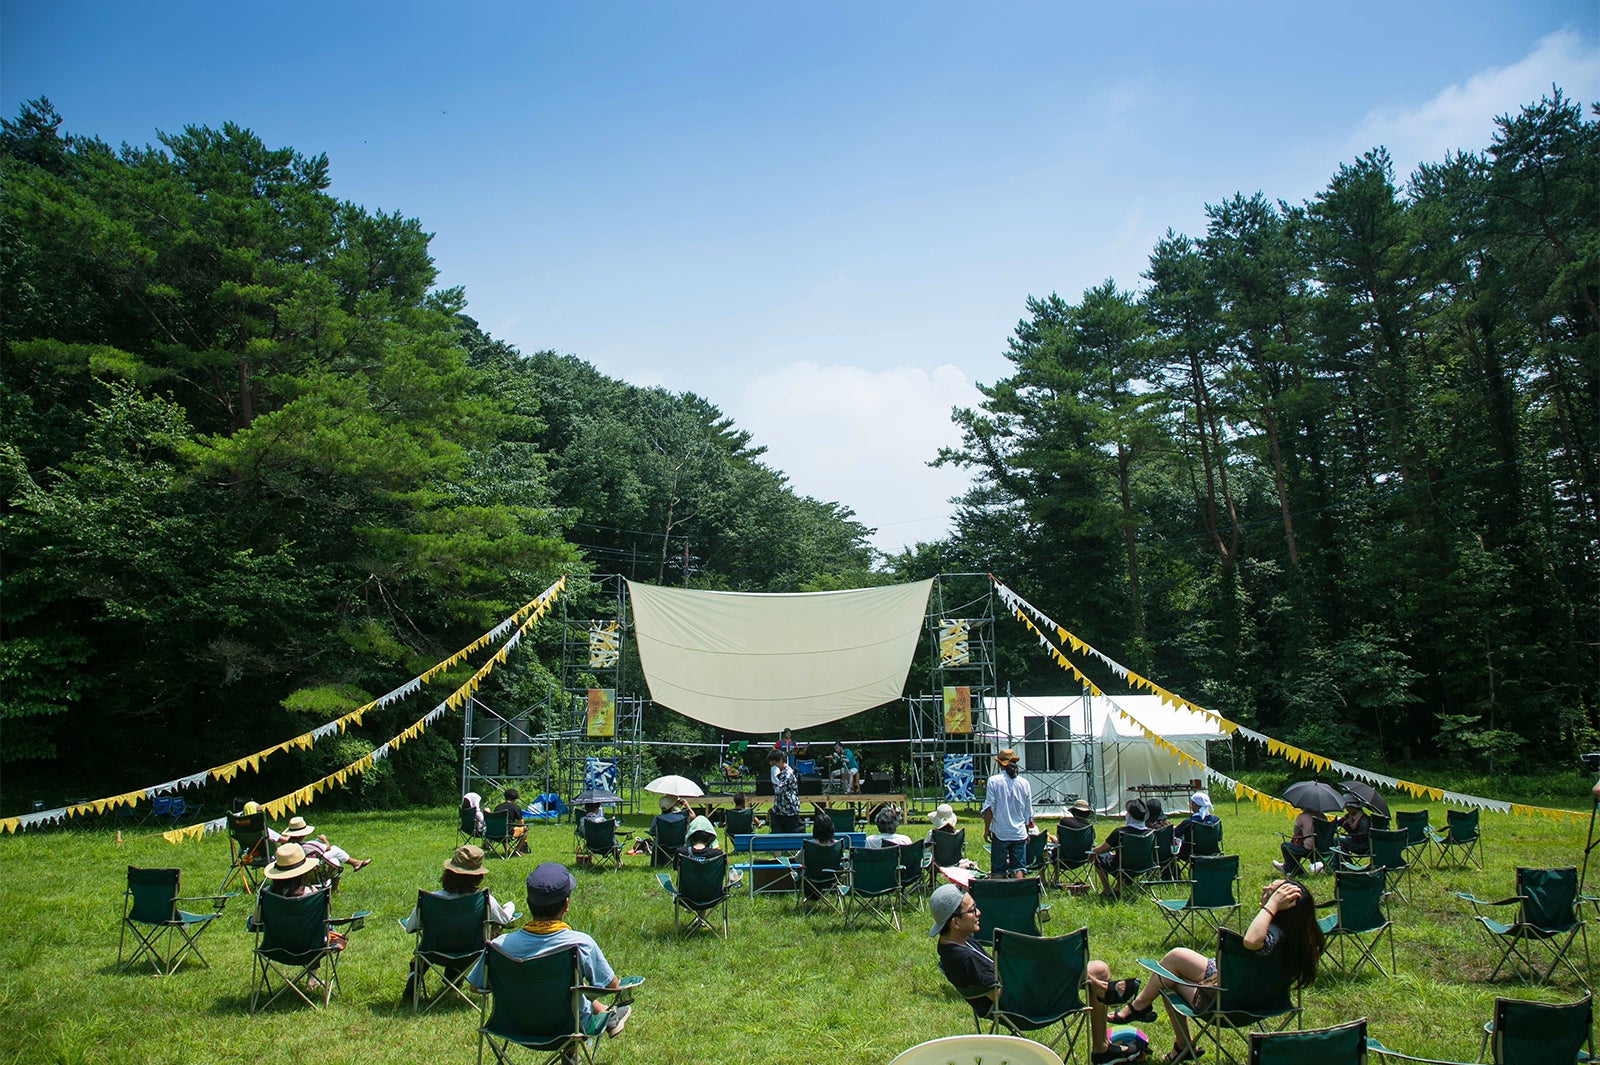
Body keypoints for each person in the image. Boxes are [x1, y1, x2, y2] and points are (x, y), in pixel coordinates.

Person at [1109, 878, 1325, 1064]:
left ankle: (1148, 1016)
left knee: (1168, 976)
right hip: (1266, 999)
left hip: (1228, 1004)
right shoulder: (1303, 936)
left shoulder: (1273, 933)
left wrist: (1268, 907)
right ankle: (1149, 1016)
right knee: (1176, 959)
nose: (1266, 890)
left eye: (1273, 892)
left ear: (1283, 907)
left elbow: (1251, 942)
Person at [930, 883, 1143, 1063]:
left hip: (1021, 996)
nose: (979, 913)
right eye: (972, 910)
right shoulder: (962, 959)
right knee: (1081, 968)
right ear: (955, 923)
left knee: (1099, 969)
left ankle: (1102, 1038)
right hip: (1023, 1009)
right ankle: (1104, 1017)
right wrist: (1032, 974)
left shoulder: (957, 943)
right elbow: (997, 994)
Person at [467, 863, 634, 1040]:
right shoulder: (581, 944)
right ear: (566, 904)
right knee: (572, 994)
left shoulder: (498, 946)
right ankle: (578, 1046)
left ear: (528, 902)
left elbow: (475, 987)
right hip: (567, 1029)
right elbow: (612, 987)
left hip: (511, 1027)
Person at [399, 843, 517, 1003]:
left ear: (448, 873)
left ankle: (416, 974)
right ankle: (453, 978)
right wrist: (510, 907)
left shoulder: (430, 899)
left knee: (426, 944)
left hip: (433, 952)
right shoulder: (485, 899)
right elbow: (503, 920)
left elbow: (410, 927)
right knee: (482, 931)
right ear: (478, 876)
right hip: (472, 951)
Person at [250, 842, 340, 990]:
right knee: (319, 930)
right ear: (304, 872)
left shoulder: (266, 894)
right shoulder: (314, 894)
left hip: (275, 949)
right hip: (311, 950)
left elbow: (255, 924)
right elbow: (324, 926)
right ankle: (313, 978)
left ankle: (313, 979)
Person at [981, 748, 1034, 879]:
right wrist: (1026, 831)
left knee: (998, 869)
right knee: (1018, 868)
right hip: (1019, 832)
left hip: (1000, 831)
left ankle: (998, 897)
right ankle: (1019, 895)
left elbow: (988, 808)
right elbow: (1028, 811)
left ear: (999, 763)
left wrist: (987, 829)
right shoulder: (1024, 783)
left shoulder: (993, 781)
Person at [1091, 798, 1150, 895]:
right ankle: (1118, 887)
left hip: (1123, 867)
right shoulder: (1150, 833)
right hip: (1144, 866)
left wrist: (1093, 851)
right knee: (1122, 858)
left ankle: (1107, 889)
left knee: (1099, 856)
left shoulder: (1120, 832)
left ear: (1129, 816)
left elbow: (1102, 849)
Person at [280, 815, 372, 871]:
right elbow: (328, 848)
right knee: (335, 850)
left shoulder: (285, 846)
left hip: (295, 866)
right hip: (310, 867)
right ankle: (355, 863)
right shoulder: (310, 845)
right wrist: (324, 839)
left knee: (335, 861)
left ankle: (355, 864)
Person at [1274, 806, 1323, 876]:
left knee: (1285, 846)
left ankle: (1297, 872)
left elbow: (1295, 831)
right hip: (1323, 849)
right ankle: (1285, 867)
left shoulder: (1303, 816)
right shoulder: (1323, 817)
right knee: (1296, 846)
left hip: (1308, 848)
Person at [1172, 791, 1219, 860]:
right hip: (1212, 851)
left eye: (1191, 803)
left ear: (1195, 805)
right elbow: (1219, 837)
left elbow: (1174, 834)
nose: (1190, 805)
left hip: (1191, 853)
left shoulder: (1189, 822)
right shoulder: (1216, 820)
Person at [768, 750, 803, 833]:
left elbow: (779, 790)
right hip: (779, 811)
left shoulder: (788, 773)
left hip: (789, 811)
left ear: (780, 760)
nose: (774, 767)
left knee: (792, 839)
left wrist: (774, 777)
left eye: (775, 763)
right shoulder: (781, 773)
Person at [494, 788, 530, 856]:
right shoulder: (516, 808)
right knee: (525, 829)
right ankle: (516, 851)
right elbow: (521, 824)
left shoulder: (497, 807)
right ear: (515, 799)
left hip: (495, 834)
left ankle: (507, 850)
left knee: (503, 827)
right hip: (508, 834)